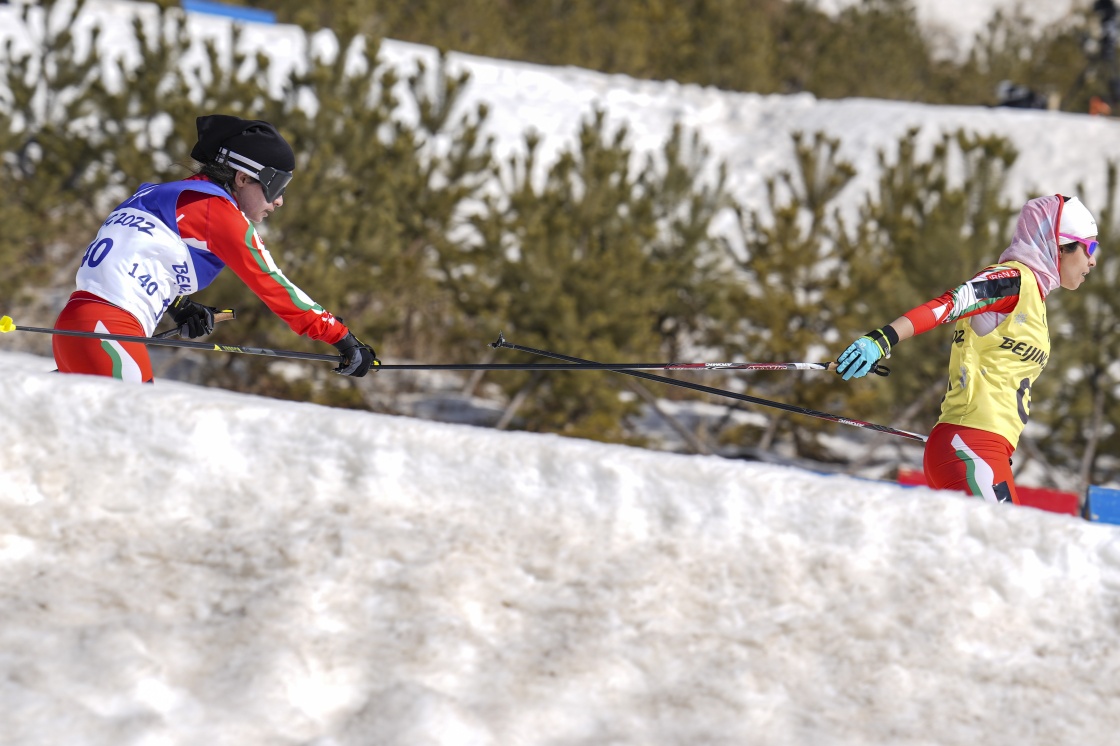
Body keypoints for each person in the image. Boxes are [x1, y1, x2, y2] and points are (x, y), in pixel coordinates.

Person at [52, 114, 377, 382]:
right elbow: (275, 285)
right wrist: (342, 338)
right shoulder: (217, 213)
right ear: (242, 178)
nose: (279, 200)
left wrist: (178, 304)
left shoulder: (162, 195)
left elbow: (133, 255)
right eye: (276, 185)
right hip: (108, 329)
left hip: (78, 326)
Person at [835, 195, 1099, 505]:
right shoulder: (1012, 280)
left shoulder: (1035, 298)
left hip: (984, 449)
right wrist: (883, 338)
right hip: (970, 445)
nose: (1093, 260)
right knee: (1004, 537)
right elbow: (949, 304)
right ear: (1060, 245)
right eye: (1090, 247)